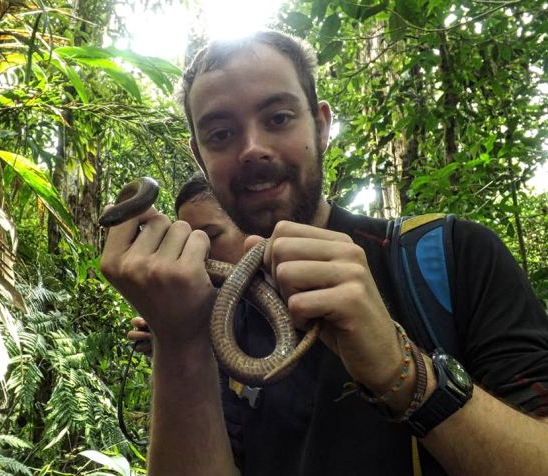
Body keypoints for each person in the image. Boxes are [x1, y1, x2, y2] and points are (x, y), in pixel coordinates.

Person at [101, 31, 548, 476]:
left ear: (320, 125)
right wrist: (178, 341)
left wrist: (404, 373)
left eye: (277, 118)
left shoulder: (452, 256)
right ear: (200, 157)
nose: (252, 148)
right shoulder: (214, 321)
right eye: (221, 134)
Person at [127, 172, 246, 356]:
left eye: (211, 235)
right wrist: (168, 341)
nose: (199, 250)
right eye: (189, 240)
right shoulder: (208, 303)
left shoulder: (288, 284)